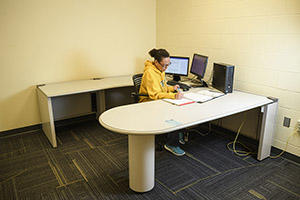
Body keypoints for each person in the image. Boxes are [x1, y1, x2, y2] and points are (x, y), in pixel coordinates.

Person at [139, 48, 186, 156]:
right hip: (148, 102)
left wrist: (171, 88)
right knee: (172, 113)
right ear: (156, 62)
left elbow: (162, 87)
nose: (166, 68)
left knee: (180, 109)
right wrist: (174, 96)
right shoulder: (150, 73)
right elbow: (154, 94)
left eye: (168, 65)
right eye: (164, 65)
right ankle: (171, 144)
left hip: (158, 99)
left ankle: (178, 134)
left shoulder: (160, 70)